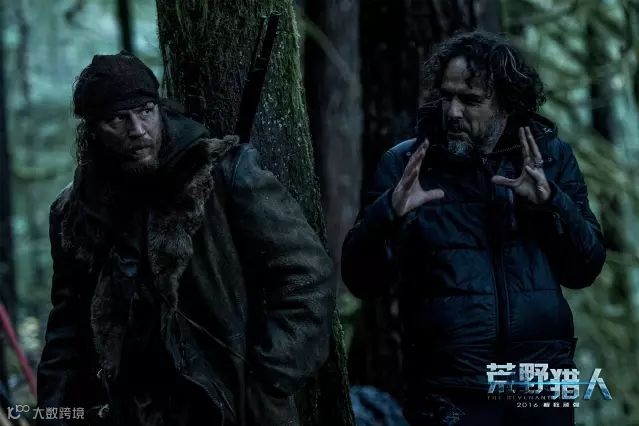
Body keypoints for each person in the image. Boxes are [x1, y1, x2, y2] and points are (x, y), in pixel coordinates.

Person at [36, 51, 335, 426]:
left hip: (228, 405)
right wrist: (54, 411)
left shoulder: (225, 176)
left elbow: (308, 277)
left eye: (145, 111)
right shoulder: (75, 213)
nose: (138, 129)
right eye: (117, 119)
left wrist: (269, 377)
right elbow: (67, 327)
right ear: (93, 131)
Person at [342, 32, 606, 425]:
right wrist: (388, 214)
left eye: (469, 100)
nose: (452, 112)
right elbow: (361, 280)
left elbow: (585, 268)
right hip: (452, 389)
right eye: (446, 96)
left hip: (541, 384)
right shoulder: (407, 166)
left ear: (505, 103)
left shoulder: (549, 158)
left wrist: (552, 203)